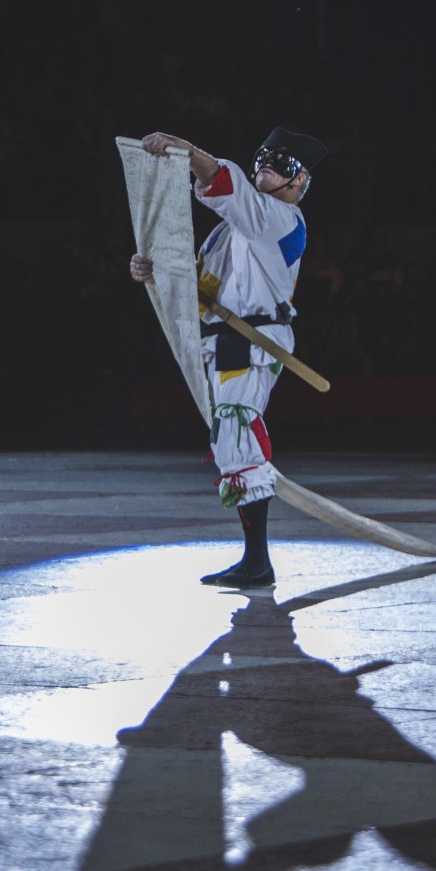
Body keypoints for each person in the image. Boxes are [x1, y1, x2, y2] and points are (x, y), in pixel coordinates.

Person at [129, 126, 328, 587]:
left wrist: (187, 151)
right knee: (231, 437)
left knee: (238, 429)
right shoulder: (228, 233)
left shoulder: (281, 219)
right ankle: (254, 559)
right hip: (223, 339)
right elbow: (199, 288)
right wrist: (152, 272)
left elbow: (226, 184)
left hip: (254, 340)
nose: (265, 167)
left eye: (279, 164)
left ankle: (257, 561)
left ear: (298, 183)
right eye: (262, 158)